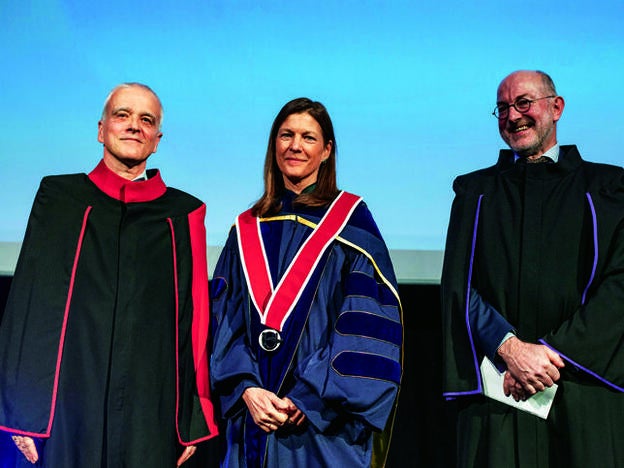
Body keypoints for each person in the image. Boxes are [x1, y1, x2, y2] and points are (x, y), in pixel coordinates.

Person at [0, 83, 218, 467]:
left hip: (149, 408)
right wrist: (24, 411)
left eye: (146, 120)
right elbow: (28, 306)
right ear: (101, 130)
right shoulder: (59, 199)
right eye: (123, 115)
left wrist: (191, 416)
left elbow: (194, 321)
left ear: (156, 140)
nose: (134, 125)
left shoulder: (183, 214)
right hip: (69, 403)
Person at [441, 70, 624, 467]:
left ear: (556, 108)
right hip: (500, 386)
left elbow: (620, 285)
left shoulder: (609, 189)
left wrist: (552, 353)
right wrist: (509, 348)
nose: (513, 116)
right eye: (503, 108)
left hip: (583, 387)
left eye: (524, 103)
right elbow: (459, 285)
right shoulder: (476, 192)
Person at [209, 97, 402, 467]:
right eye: (286, 135)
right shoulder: (246, 228)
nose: (295, 146)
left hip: (323, 426)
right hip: (255, 418)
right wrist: (246, 388)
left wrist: (310, 394)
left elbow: (367, 329)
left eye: (308, 137)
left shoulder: (354, 225)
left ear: (327, 150)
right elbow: (223, 323)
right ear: (274, 145)